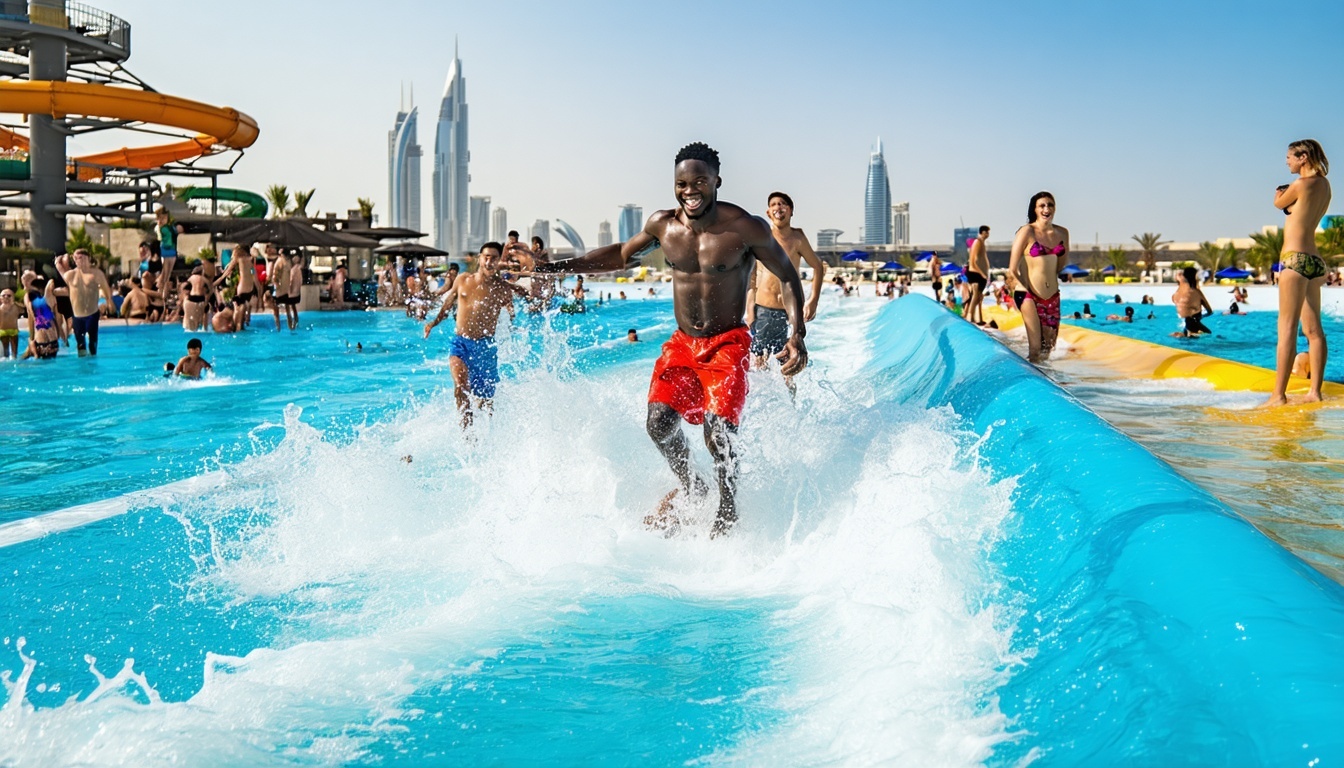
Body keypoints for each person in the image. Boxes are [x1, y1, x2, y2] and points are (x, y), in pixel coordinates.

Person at [534, 142, 807, 537]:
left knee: (718, 433)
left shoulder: (745, 228)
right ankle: (693, 486)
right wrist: (554, 268)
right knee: (659, 423)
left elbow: (788, 276)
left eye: (700, 182)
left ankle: (728, 511)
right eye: (682, 184)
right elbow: (620, 255)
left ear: (717, 182)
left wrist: (797, 333)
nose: (690, 191)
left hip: (727, 343)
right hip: (683, 343)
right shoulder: (664, 225)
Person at [422, 242, 525, 429]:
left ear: (499, 261)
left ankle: (487, 435)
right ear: (480, 258)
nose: (489, 262)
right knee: (461, 386)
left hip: (485, 348)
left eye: (494, 258)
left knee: (486, 403)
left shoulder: (502, 289)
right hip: (461, 343)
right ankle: (467, 434)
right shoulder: (462, 280)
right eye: (486, 257)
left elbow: (513, 312)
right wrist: (433, 323)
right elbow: (448, 304)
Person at [1264, 139, 1332, 407]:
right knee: (1314, 331)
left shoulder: (1300, 184)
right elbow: (1301, 212)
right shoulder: (1324, 186)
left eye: (1290, 157)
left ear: (1303, 157)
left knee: (1287, 329)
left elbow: (1279, 203)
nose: (1287, 162)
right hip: (1315, 261)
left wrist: (1278, 197)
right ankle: (1315, 392)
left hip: (1294, 260)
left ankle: (1278, 395)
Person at [745, 191, 825, 389]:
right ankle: (760, 399)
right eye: (773, 204)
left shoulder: (797, 238)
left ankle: (791, 402)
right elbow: (752, 276)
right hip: (763, 310)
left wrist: (813, 300)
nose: (778, 207)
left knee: (788, 364)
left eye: (782, 204)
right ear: (768, 212)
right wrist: (749, 310)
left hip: (790, 314)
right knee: (759, 362)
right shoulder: (763, 237)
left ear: (791, 211)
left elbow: (818, 266)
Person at [1008, 191, 1068, 363]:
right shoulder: (1027, 231)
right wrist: (1024, 289)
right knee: (1035, 350)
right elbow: (1012, 269)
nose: (1046, 209)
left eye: (1050, 205)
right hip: (1028, 294)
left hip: (1052, 296)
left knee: (1048, 348)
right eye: (1041, 205)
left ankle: (1042, 376)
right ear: (1034, 209)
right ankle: (1028, 377)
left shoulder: (1063, 233)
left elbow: (1060, 265)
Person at [60, 248, 117, 356]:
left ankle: (93, 364)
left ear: (89, 258)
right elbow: (61, 282)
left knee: (92, 346)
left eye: (82, 258)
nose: (79, 260)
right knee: (81, 346)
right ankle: (83, 366)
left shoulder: (96, 274)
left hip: (92, 314)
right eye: (76, 258)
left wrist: (109, 302)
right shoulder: (70, 275)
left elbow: (106, 289)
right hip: (77, 316)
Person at [215, 243, 259, 331]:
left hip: (242, 289)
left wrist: (217, 282)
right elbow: (254, 275)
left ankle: (235, 330)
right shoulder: (250, 260)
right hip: (249, 289)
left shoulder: (238, 259)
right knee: (241, 315)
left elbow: (226, 272)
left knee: (237, 311)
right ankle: (240, 328)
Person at [21, 273, 60, 359]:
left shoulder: (47, 296)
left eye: (29, 278)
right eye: (24, 278)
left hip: (50, 339)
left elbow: (56, 316)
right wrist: (31, 339)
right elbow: (31, 319)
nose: (26, 281)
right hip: (42, 340)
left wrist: (60, 333)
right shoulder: (29, 297)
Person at [1172, 266, 1214, 336]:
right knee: (1209, 334)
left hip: (1187, 325)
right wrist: (1201, 317)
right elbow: (1210, 311)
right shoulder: (1197, 292)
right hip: (1195, 324)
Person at [965, 225, 990, 324]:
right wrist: (981, 273)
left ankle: (976, 317)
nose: (988, 234)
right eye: (986, 232)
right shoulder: (978, 242)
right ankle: (969, 316)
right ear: (982, 232)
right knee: (975, 295)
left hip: (979, 273)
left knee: (978, 297)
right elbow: (973, 261)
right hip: (975, 272)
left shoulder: (981, 242)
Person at [156, 207, 183, 292]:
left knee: (168, 272)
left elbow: (177, 232)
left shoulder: (170, 226)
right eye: (161, 218)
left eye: (164, 217)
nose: (163, 219)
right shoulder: (162, 227)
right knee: (165, 271)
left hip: (172, 249)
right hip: (166, 249)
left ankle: (163, 289)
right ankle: (160, 287)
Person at [267, 245, 292, 331]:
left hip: (280, 290)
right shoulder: (288, 262)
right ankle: (290, 327)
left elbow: (275, 275)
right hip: (285, 289)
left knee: (277, 310)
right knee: (287, 309)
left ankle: (278, 327)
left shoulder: (280, 261)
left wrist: (276, 285)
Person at [182, 266, 212, 332]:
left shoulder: (190, 278)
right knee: (204, 312)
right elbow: (210, 288)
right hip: (200, 297)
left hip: (192, 297)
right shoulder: (203, 278)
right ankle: (204, 329)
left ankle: (192, 328)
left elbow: (184, 286)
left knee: (192, 315)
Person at [0, 288, 18, 358]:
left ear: (13, 298)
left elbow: (24, 308)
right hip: (3, 331)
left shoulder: (16, 307)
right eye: (3, 295)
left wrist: (15, 303)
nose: (6, 297)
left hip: (14, 330)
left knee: (14, 352)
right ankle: (6, 357)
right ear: (0, 298)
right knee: (5, 351)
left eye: (9, 295)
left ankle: (14, 357)